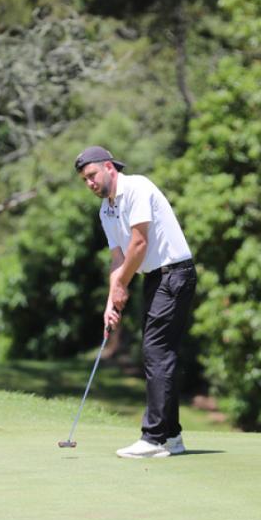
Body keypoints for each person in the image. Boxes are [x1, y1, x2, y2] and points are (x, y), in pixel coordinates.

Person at [74, 146, 197, 458]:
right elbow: (119, 258)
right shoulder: (106, 210)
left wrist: (123, 285)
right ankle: (171, 438)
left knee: (157, 354)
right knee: (158, 353)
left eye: (92, 175)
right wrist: (111, 301)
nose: (89, 183)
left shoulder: (138, 188)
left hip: (175, 274)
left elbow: (139, 244)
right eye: (84, 179)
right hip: (155, 279)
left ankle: (154, 438)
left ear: (109, 168)